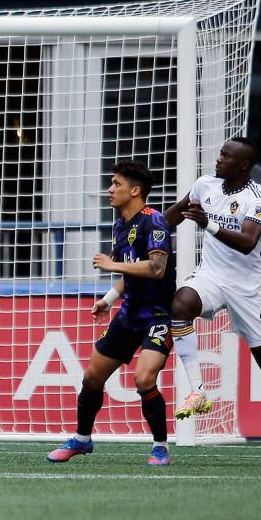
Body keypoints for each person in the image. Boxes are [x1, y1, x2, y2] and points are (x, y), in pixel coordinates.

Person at [164, 136, 261, 464]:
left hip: (246, 288)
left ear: (244, 165)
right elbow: (172, 216)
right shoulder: (206, 185)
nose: (219, 160)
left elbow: (247, 242)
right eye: (221, 154)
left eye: (227, 156)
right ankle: (198, 390)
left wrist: (208, 223)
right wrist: (146, 228)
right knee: (180, 305)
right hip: (211, 277)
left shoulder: (257, 199)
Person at [47, 160, 176, 466]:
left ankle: (160, 447)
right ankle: (81, 439)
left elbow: (157, 269)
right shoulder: (121, 224)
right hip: (129, 314)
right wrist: (109, 298)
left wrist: (111, 264)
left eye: (116, 183)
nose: (110, 189)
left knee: (144, 379)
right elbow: (129, 271)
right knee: (92, 378)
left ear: (135, 190)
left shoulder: (154, 221)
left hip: (157, 317)